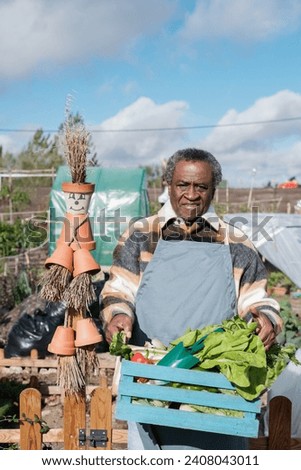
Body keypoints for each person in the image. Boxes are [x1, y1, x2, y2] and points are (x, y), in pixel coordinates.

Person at [100, 148, 283, 450]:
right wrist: (118, 315)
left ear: (213, 190)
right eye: (183, 185)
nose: (191, 195)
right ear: (168, 184)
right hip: (151, 378)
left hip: (218, 386)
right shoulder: (142, 235)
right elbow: (118, 291)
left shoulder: (235, 242)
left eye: (201, 186)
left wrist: (265, 319)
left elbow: (258, 299)